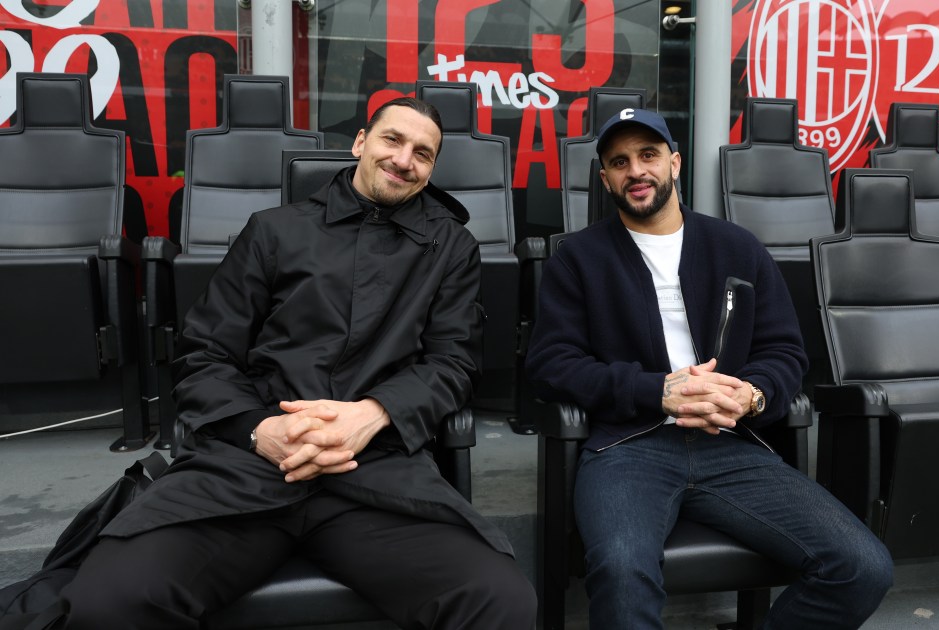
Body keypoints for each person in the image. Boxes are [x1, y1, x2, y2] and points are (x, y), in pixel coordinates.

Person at [54, 97, 537, 629]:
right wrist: (262, 430)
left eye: (423, 154)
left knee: (501, 599)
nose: (405, 160)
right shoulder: (274, 230)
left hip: (376, 471)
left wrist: (372, 415)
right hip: (247, 464)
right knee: (112, 599)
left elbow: (453, 362)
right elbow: (205, 353)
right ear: (360, 142)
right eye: (392, 140)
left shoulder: (451, 247)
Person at [525, 108, 893, 629]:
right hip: (629, 448)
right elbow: (550, 365)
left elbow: (786, 352)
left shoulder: (735, 246)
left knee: (863, 566)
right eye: (620, 161)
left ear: (674, 162)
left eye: (649, 155)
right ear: (604, 176)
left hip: (731, 447)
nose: (636, 171)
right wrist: (657, 390)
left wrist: (752, 396)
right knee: (622, 571)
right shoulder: (578, 258)